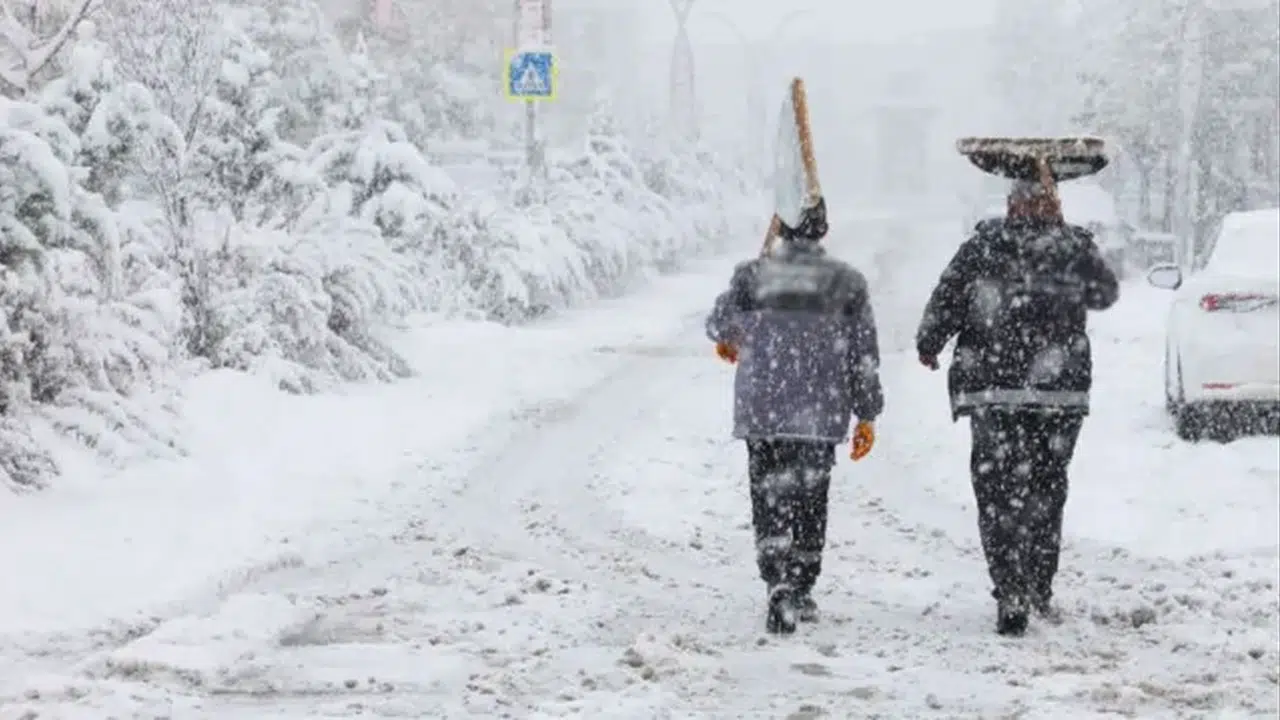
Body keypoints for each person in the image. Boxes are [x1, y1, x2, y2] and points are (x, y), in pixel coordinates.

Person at [915, 178, 1119, 637]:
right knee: (1047, 487)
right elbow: (1104, 293)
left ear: (1011, 206)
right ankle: (1038, 584)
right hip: (1058, 393)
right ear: (1053, 204)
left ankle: (1011, 588)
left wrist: (930, 341)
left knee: (997, 492)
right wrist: (1072, 249)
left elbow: (948, 297)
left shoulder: (983, 246)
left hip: (994, 390)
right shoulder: (1072, 246)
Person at [705, 199, 884, 635]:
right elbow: (862, 354)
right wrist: (866, 413)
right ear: (823, 231)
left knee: (768, 495)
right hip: (820, 413)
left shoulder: (753, 276)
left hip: (763, 410)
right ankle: (801, 583)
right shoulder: (846, 282)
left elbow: (719, 325)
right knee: (811, 497)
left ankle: (777, 579)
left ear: (781, 228)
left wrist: (743, 296)